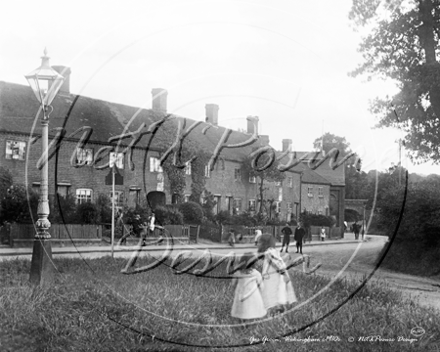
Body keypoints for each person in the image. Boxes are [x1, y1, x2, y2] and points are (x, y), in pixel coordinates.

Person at [257, 234, 297, 315]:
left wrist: (284, 274)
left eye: (259, 243)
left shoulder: (269, 252)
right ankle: (279, 311)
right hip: (274, 277)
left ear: (265, 243)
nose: (257, 244)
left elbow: (277, 263)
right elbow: (279, 261)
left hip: (274, 278)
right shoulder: (271, 251)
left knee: (271, 294)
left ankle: (274, 313)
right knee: (277, 295)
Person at [231, 252, 267, 321]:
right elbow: (261, 286)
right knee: (253, 311)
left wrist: (235, 291)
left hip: (241, 295)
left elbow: (233, 284)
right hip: (253, 296)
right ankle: (251, 324)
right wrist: (262, 293)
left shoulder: (237, 273)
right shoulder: (256, 273)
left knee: (241, 312)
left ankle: (241, 324)